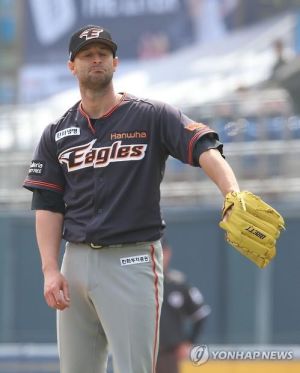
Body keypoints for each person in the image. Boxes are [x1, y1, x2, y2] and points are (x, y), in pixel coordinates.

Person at [23, 24, 240, 373]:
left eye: (103, 54)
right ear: (71, 66)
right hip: (75, 262)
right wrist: (50, 269)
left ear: (115, 62)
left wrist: (232, 192)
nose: (96, 60)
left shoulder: (150, 115)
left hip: (132, 259)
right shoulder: (57, 132)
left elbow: (203, 145)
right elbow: (47, 204)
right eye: (87, 55)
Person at [157, 239, 211, 373]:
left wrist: (189, 341)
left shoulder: (178, 284)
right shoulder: (140, 284)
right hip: (141, 353)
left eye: (162, 252)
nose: (159, 257)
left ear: (168, 253)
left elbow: (201, 314)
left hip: (168, 354)